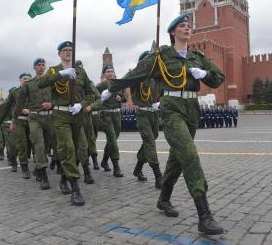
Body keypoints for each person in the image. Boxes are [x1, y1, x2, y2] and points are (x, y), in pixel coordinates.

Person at [101, 14, 225, 235]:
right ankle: (204, 216)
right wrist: (111, 87)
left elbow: (218, 78)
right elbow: (137, 73)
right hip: (171, 108)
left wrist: (205, 73)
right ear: (172, 32)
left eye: (189, 26)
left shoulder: (197, 56)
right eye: (182, 26)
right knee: (189, 155)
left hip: (192, 109)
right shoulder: (161, 57)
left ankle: (164, 198)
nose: (187, 28)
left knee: (177, 159)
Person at [37, 41, 95, 206]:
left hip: (77, 114)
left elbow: (91, 94)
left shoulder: (81, 72)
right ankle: (75, 189)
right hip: (60, 114)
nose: (68, 52)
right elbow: (41, 83)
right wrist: (61, 74)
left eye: (71, 50)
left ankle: (63, 179)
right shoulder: (55, 70)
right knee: (67, 147)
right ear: (59, 53)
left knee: (76, 150)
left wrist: (81, 105)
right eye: (65, 50)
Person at [10, 58, 56, 190]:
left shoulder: (51, 82)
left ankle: (38, 168)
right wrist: (14, 120)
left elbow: (58, 97)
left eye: (43, 65)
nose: (41, 67)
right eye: (39, 65)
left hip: (49, 118)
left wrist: (52, 104)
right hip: (34, 118)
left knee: (47, 147)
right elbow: (19, 103)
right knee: (39, 145)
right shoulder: (28, 84)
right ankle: (43, 176)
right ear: (34, 68)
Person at [128, 50, 163, 189]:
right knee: (150, 142)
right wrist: (129, 99)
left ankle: (138, 168)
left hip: (153, 113)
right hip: (142, 113)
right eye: (148, 58)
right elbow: (126, 84)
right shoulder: (138, 76)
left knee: (152, 138)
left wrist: (158, 102)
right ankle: (158, 176)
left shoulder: (155, 77)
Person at [95, 65, 126, 177]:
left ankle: (104, 161)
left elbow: (124, 98)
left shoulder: (117, 85)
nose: (110, 73)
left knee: (113, 139)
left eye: (112, 71)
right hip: (106, 114)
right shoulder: (100, 86)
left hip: (116, 114)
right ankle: (116, 166)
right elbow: (95, 98)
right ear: (104, 74)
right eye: (108, 71)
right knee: (112, 138)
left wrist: (120, 98)